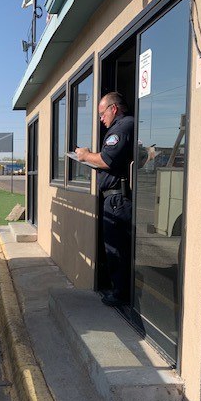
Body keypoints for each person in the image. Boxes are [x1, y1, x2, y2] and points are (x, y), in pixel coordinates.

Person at [75, 92, 134, 306]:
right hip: (114, 198)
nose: (101, 119)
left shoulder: (122, 127)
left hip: (118, 200)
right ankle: (121, 290)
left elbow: (107, 160)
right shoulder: (121, 127)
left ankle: (120, 295)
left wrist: (85, 155)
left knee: (116, 248)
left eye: (102, 113)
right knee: (116, 247)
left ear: (114, 109)